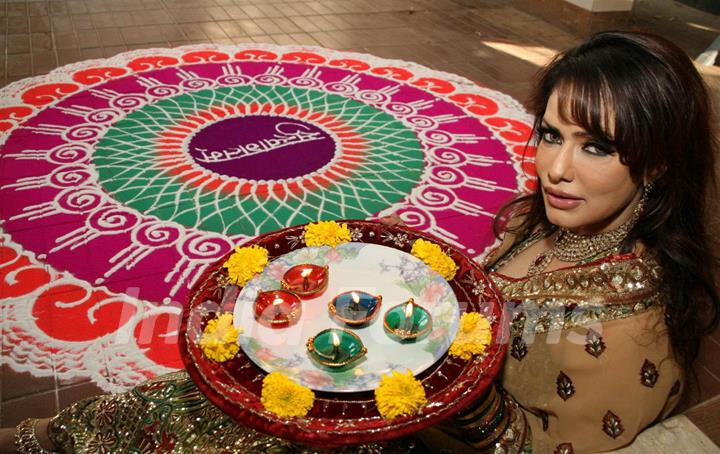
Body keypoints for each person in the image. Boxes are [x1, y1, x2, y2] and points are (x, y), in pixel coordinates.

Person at [2, 31, 719, 453]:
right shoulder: (558, 222)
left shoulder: (627, 324)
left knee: (208, 428)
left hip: (417, 439)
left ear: (656, 161)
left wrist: (452, 394)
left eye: (597, 147)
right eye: (551, 135)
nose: (556, 169)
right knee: (179, 396)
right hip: (401, 401)